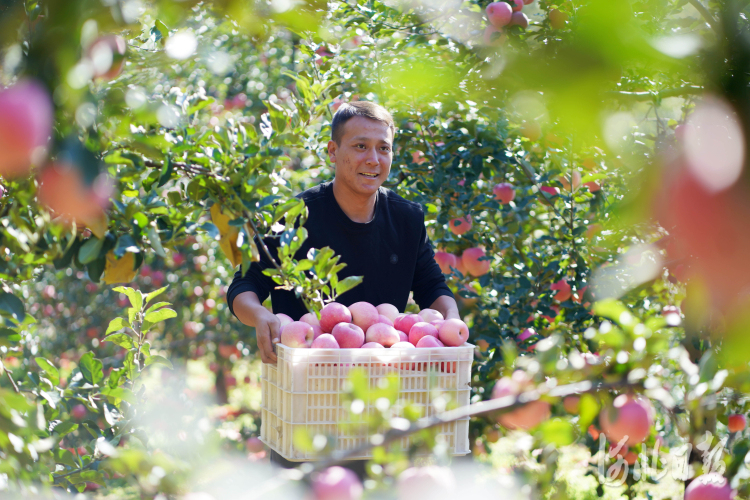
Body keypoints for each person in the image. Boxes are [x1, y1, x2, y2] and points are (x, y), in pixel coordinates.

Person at [226, 100, 460, 471]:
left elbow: (433, 286)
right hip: (308, 403)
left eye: (384, 148)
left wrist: (452, 328)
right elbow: (244, 286)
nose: (374, 159)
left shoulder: (407, 219)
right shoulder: (293, 216)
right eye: (360, 146)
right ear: (333, 151)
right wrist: (259, 317)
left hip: (385, 401)